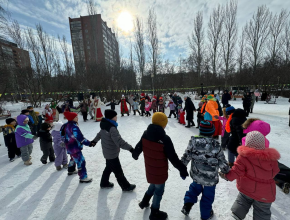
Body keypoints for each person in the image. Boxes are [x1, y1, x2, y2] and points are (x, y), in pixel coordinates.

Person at [132, 112, 189, 220]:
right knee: (158, 190)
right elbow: (173, 158)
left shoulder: (145, 133)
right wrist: (182, 169)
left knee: (153, 184)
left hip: (150, 168)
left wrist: (135, 154)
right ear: (163, 124)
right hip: (160, 171)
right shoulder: (165, 139)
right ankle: (154, 213)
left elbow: (139, 146)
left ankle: (144, 201)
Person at [219, 131, 280, 220]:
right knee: (262, 212)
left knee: (242, 203)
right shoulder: (271, 158)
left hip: (247, 189)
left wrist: (226, 176)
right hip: (265, 194)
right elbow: (275, 171)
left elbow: (236, 171)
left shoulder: (244, 156)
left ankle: (235, 217)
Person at [180, 121, 230, 219]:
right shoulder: (215, 145)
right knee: (208, 197)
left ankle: (187, 205)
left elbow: (186, 156)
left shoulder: (193, 142)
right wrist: (226, 171)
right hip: (210, 178)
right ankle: (205, 215)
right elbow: (222, 162)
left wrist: (182, 168)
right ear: (212, 132)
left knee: (194, 189)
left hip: (197, 174)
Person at [91, 109, 136, 191]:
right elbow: (120, 142)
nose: (116, 117)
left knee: (108, 167)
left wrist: (94, 141)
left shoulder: (104, 124)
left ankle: (104, 183)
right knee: (118, 171)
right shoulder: (112, 128)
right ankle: (125, 186)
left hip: (107, 152)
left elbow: (99, 134)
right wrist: (131, 149)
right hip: (112, 154)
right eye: (115, 116)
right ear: (111, 118)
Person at [60, 112, 93, 183]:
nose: (77, 118)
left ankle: (71, 170)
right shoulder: (74, 126)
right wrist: (89, 143)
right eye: (76, 117)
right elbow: (80, 137)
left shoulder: (64, 125)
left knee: (73, 158)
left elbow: (62, 135)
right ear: (72, 118)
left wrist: (66, 141)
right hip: (75, 147)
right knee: (81, 161)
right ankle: (83, 177)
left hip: (69, 146)